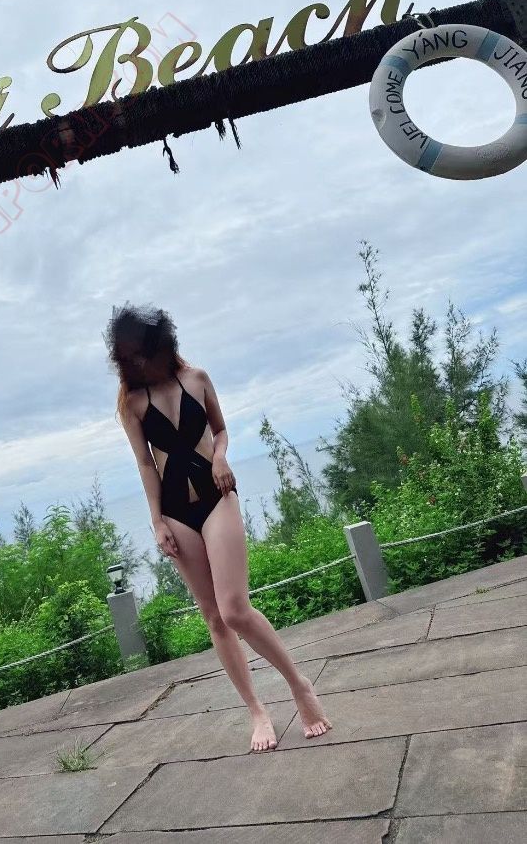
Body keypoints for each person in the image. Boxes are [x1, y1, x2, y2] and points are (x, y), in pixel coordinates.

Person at [102, 301, 332, 751]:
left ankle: (299, 685)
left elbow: (220, 430)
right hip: (176, 512)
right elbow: (146, 465)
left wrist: (221, 457)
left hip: (217, 497)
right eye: (132, 358)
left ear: (163, 345)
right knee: (213, 617)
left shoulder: (197, 379)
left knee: (234, 609)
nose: (141, 363)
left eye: (145, 353)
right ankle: (257, 711)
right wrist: (156, 521)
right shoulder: (132, 403)